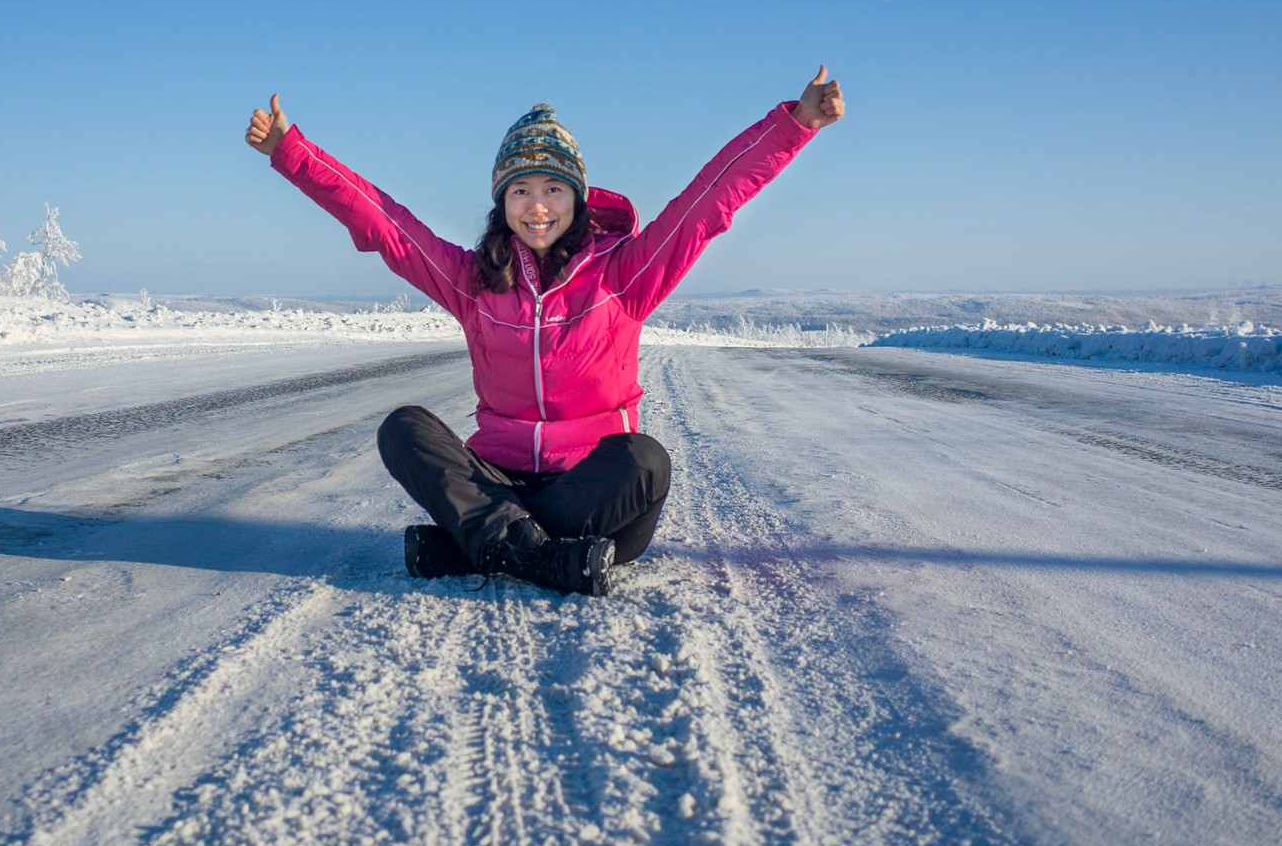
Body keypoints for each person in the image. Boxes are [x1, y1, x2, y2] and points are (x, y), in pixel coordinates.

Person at [244, 67, 846, 596]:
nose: (538, 206)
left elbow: (707, 202)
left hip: (591, 496)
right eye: (522, 190)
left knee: (645, 459)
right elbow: (386, 224)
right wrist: (290, 151)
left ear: (577, 198)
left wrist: (796, 124)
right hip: (500, 481)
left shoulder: (624, 275)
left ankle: (480, 546)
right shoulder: (474, 282)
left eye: (553, 188)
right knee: (404, 429)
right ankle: (542, 559)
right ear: (502, 203)